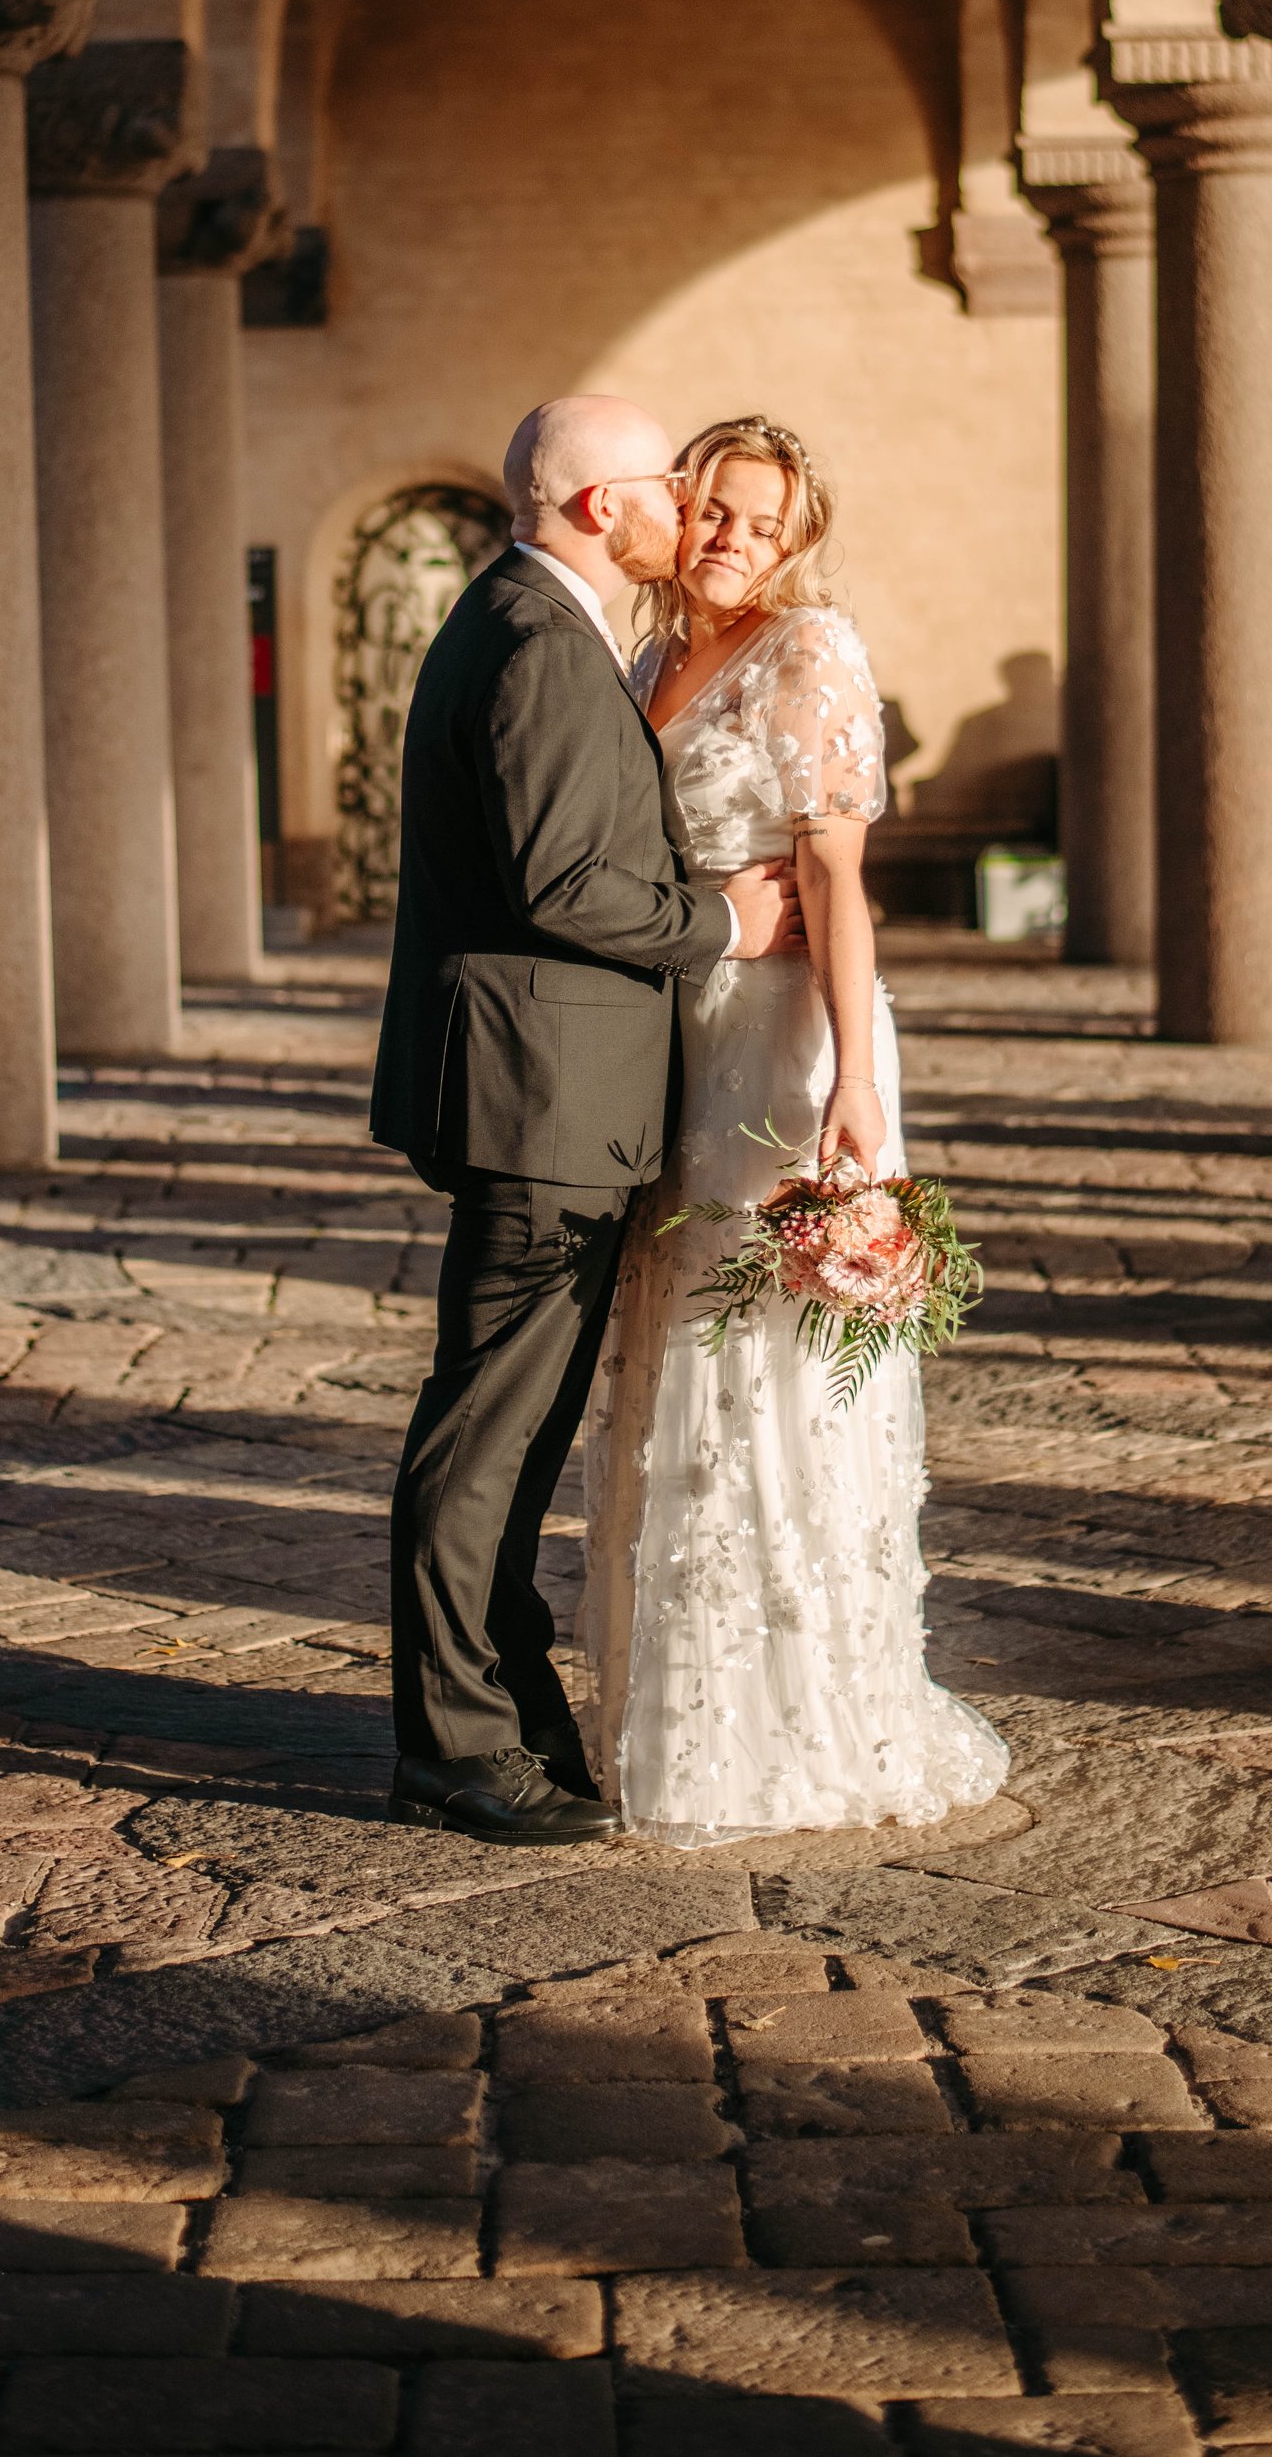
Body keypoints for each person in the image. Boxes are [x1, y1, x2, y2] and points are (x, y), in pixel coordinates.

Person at [375, 393, 806, 1846]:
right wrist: (727, 925)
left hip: (550, 1092)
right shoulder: (540, 644)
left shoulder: (538, 624)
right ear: (590, 507)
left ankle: (498, 1708)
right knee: (487, 1431)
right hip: (540, 1098)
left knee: (509, 1422)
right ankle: (456, 1745)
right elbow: (566, 883)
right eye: (665, 491)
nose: (689, 516)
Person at [580, 414, 1008, 1842]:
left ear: (793, 543)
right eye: (714, 511)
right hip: (679, 1037)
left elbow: (835, 874)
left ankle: (794, 1716)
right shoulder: (647, 660)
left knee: (762, 1355)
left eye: (762, 526)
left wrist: (857, 1083)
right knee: (670, 1339)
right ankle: (668, 1704)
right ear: (677, 508)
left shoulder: (806, 654)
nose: (731, 542)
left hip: (783, 1032)